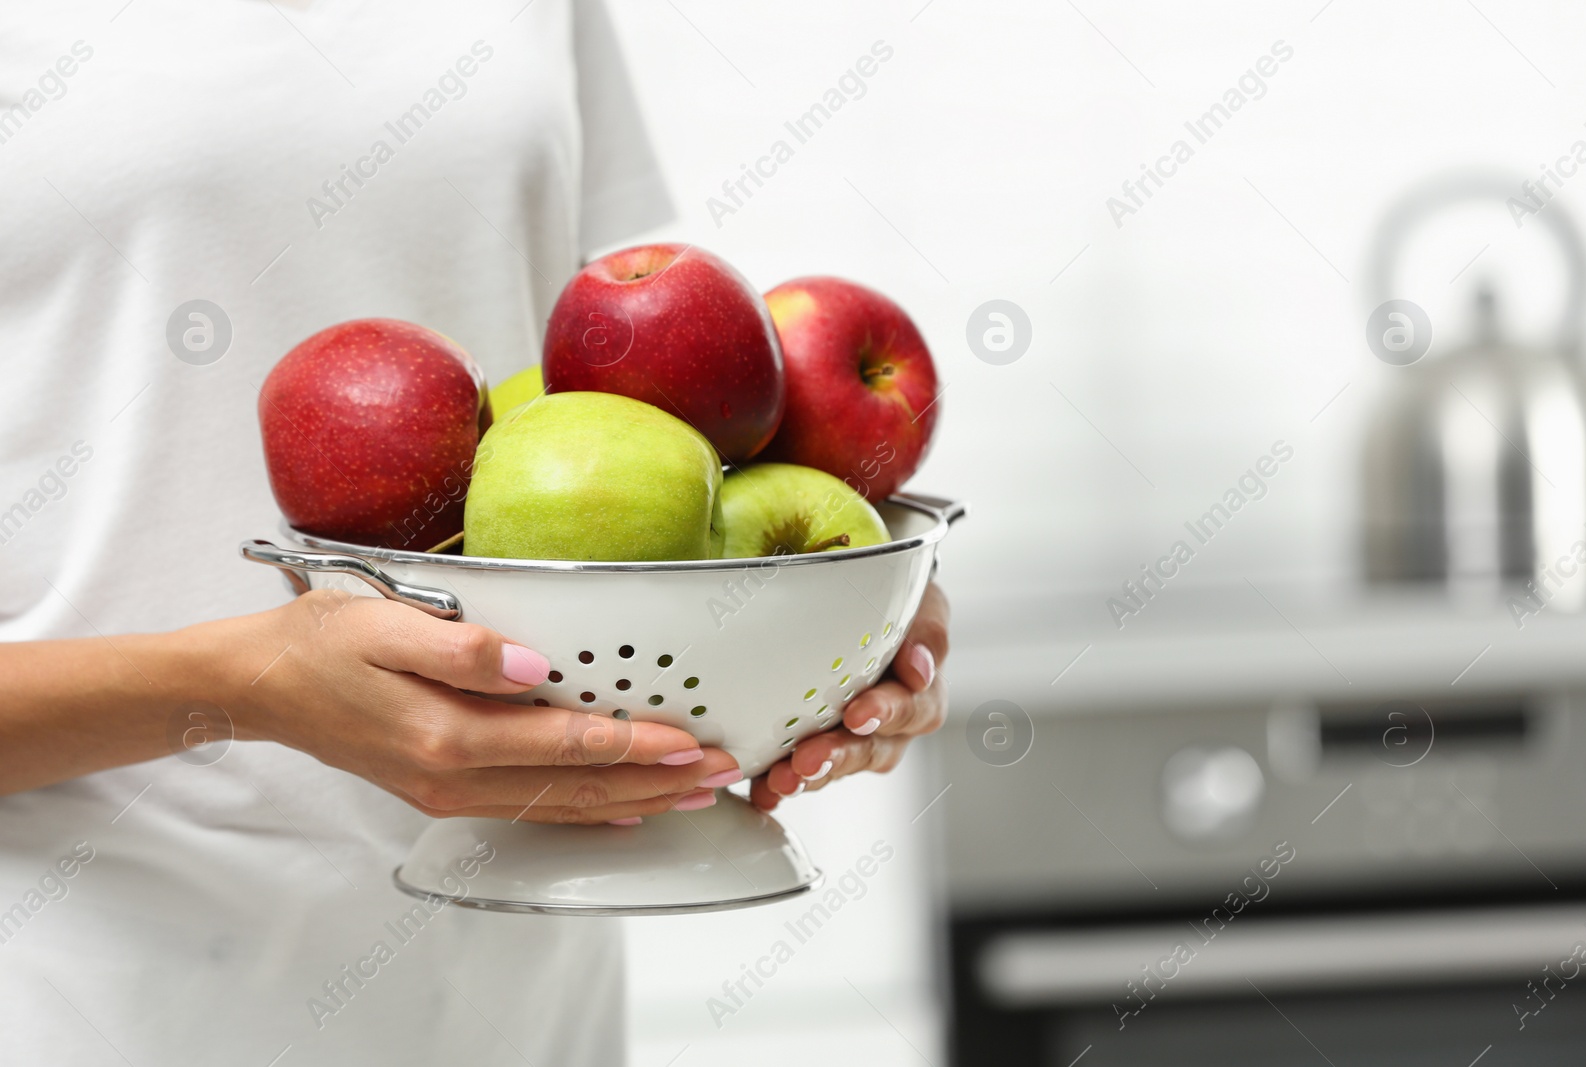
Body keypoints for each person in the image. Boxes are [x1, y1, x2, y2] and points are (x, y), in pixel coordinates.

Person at [0, 3, 949, 1063]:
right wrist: (247, 683)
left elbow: (633, 371)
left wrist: (835, 590)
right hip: (101, 995)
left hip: (523, 978)